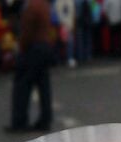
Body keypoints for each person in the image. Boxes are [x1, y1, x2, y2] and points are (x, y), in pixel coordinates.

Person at [6, 0, 55, 133]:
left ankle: (20, 121)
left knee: (22, 85)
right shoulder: (44, 5)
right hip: (45, 47)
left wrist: (21, 47)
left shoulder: (30, 7)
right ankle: (46, 119)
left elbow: (27, 31)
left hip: (33, 49)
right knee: (44, 85)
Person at [55, 0, 76, 67]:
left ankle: (60, 59)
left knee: (61, 43)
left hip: (61, 25)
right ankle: (69, 59)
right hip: (67, 25)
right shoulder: (71, 1)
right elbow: (73, 14)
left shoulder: (57, 2)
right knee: (69, 43)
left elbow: (56, 13)